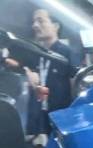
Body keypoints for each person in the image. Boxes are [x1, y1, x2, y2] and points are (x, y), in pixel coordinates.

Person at [24, 9, 79, 138]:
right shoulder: (36, 53)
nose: (35, 25)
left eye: (40, 21)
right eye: (34, 22)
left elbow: (76, 88)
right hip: (40, 120)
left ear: (55, 26)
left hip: (62, 121)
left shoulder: (66, 53)